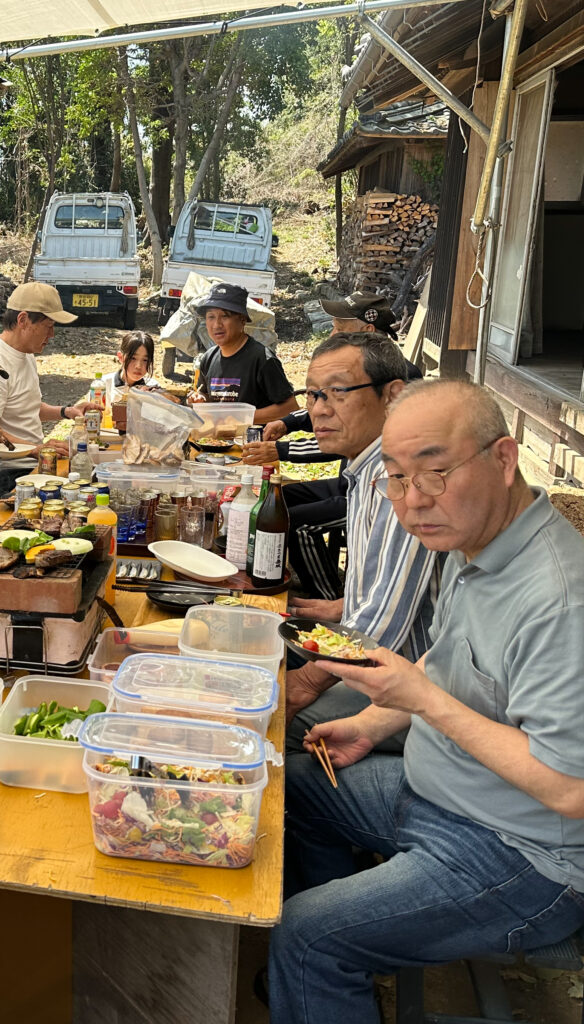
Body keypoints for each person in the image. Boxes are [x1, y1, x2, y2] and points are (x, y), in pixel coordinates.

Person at [270, 380, 584, 1023]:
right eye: (396, 477)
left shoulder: (560, 601)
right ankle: (345, 967)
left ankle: (323, 961)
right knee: (288, 791)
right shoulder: (477, 544)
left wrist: (424, 702)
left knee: (307, 935)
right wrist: (369, 723)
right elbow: (444, 669)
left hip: (525, 856)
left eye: (436, 472)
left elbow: (570, 788)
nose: (413, 501)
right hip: (437, 793)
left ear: (504, 458)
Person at [283, 333, 440, 750]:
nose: (319, 409)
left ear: (393, 396)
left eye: (338, 392)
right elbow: (389, 587)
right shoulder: (364, 467)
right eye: (313, 394)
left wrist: (307, 681)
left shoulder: (402, 479)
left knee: (273, 716)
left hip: (409, 681)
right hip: (371, 648)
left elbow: (383, 623)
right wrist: (342, 606)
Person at [238, 293, 423, 597]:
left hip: (374, 490)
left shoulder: (399, 379)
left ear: (367, 332)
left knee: (294, 521)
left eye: (340, 329)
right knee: (276, 502)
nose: (332, 334)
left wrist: (282, 450)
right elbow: (326, 403)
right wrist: (289, 423)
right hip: (348, 480)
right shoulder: (351, 375)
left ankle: (326, 596)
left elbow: (344, 437)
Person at [0, 282, 102, 499]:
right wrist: (36, 449)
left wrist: (67, 411)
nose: (52, 334)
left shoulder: (26, 354)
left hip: (27, 466)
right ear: (23, 320)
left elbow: (28, 407)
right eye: (48, 326)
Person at [189, 282, 299, 423]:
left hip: (254, 437)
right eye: (211, 317)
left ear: (242, 320)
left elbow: (290, 408)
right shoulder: (208, 358)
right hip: (218, 435)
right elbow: (205, 394)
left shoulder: (262, 359)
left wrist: (242, 418)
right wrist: (200, 399)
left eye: (225, 316)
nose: (216, 325)